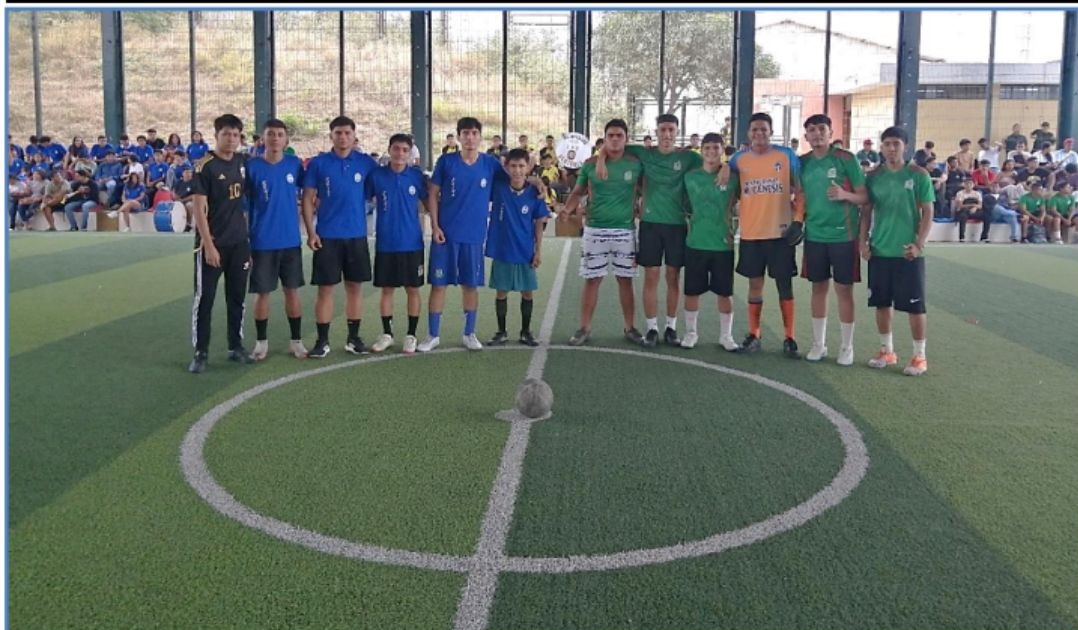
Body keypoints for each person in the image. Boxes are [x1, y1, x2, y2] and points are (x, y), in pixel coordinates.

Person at [597, 112, 702, 346]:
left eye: (671, 130)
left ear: (677, 132)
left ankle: (671, 327)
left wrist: (725, 169)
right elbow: (613, 145)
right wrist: (602, 158)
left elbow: (713, 163)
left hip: (677, 225)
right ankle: (652, 328)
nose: (666, 134)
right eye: (662, 130)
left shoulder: (690, 159)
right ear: (656, 132)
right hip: (650, 225)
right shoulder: (643, 153)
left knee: (673, 276)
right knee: (651, 276)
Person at [418, 116, 508, 352]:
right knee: (439, 285)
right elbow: (433, 194)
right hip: (445, 236)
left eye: (474, 133)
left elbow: (513, 181)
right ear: (458, 137)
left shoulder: (490, 163)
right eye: (465, 133)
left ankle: (469, 333)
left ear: (480, 137)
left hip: (474, 237)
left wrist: (536, 183)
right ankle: (432, 335)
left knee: (470, 286)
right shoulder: (446, 162)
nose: (469, 138)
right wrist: (435, 226)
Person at [722, 112, 805, 358]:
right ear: (749, 133)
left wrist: (798, 221)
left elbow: (799, 190)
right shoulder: (739, 159)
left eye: (764, 129)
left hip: (780, 234)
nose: (759, 134)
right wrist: (726, 166)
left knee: (784, 286)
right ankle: (754, 334)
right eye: (755, 130)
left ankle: (789, 337)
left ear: (771, 131)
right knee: (754, 284)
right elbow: (731, 191)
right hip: (751, 234)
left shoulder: (786, 156)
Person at [561, 119, 644, 346]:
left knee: (625, 280)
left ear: (626, 139)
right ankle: (584, 328)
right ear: (605, 138)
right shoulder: (589, 164)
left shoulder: (636, 164)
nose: (615, 139)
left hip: (625, 231)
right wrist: (567, 209)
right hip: (594, 230)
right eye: (611, 135)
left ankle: (630, 327)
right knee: (592, 279)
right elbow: (578, 191)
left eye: (619, 135)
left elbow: (647, 190)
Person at [301, 116, 379, 358]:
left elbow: (378, 190)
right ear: (331, 136)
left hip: (356, 235)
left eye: (347, 132)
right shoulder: (319, 163)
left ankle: (353, 339)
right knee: (325, 290)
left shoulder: (366, 163)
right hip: (327, 237)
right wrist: (311, 231)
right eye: (338, 133)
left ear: (354, 136)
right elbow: (307, 198)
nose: (343, 137)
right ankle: (322, 341)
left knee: (355, 288)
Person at [859, 126, 933, 376]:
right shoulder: (874, 177)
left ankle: (919, 355)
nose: (891, 148)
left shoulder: (918, 175)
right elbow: (866, 212)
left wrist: (918, 244)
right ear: (881, 147)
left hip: (908, 253)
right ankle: (886, 350)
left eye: (896, 144)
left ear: (906, 147)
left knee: (915, 307)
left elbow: (928, 211)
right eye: (887, 144)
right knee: (881, 304)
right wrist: (863, 241)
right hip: (880, 250)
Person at [187, 114, 255, 374]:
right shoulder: (205, 166)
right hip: (212, 244)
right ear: (216, 136)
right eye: (226, 134)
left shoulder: (242, 161)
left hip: (239, 243)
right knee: (205, 299)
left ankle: (235, 346)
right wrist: (209, 245)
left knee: (237, 297)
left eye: (236, 135)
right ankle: (200, 352)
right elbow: (199, 210)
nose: (231, 139)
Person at [799, 114, 868, 366]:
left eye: (821, 129)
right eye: (812, 130)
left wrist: (844, 194)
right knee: (818, 288)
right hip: (814, 235)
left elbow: (864, 197)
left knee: (844, 290)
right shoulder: (802, 162)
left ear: (830, 132)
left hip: (843, 236)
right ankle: (819, 344)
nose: (817, 134)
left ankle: (847, 347)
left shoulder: (846, 159)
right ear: (806, 136)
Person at [245, 118, 309, 361]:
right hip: (262, 242)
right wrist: (246, 240)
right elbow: (244, 207)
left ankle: (297, 341)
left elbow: (310, 194)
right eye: (270, 134)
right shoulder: (252, 167)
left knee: (292, 292)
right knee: (262, 294)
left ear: (286, 139)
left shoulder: (295, 165)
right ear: (263, 138)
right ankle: (261, 343)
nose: (275, 138)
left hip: (290, 241)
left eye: (279, 134)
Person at [364, 133, 429, 354]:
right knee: (387, 290)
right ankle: (387, 334)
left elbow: (430, 202)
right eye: (396, 149)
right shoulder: (376, 176)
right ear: (389, 150)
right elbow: (361, 198)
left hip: (412, 243)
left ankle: (411, 335)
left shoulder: (417, 177)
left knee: (413, 289)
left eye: (404, 150)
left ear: (410, 153)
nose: (400, 153)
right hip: (386, 244)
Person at [680, 132, 740, 351]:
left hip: (722, 243)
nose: (711, 152)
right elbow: (683, 204)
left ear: (722, 150)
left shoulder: (734, 177)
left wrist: (728, 167)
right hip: (695, 242)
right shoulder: (690, 177)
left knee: (725, 292)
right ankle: (691, 333)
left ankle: (726, 336)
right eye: (707, 148)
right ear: (701, 151)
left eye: (716, 148)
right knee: (692, 291)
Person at [485, 148, 550, 347]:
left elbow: (540, 222)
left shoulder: (534, 194)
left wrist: (538, 250)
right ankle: (501, 331)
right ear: (506, 166)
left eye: (522, 166)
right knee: (501, 291)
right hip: (502, 249)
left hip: (525, 251)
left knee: (527, 292)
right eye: (513, 166)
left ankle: (525, 331)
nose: (517, 170)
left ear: (528, 167)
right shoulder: (498, 188)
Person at [952, 178, 989, 243]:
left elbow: (980, 205)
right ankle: (962, 237)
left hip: (975, 211)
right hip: (964, 210)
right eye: (967, 184)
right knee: (962, 217)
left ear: (973, 185)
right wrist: (972, 205)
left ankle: (984, 237)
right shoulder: (960, 193)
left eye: (970, 184)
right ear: (964, 185)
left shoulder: (977, 194)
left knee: (987, 217)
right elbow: (960, 206)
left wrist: (975, 208)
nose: (968, 185)